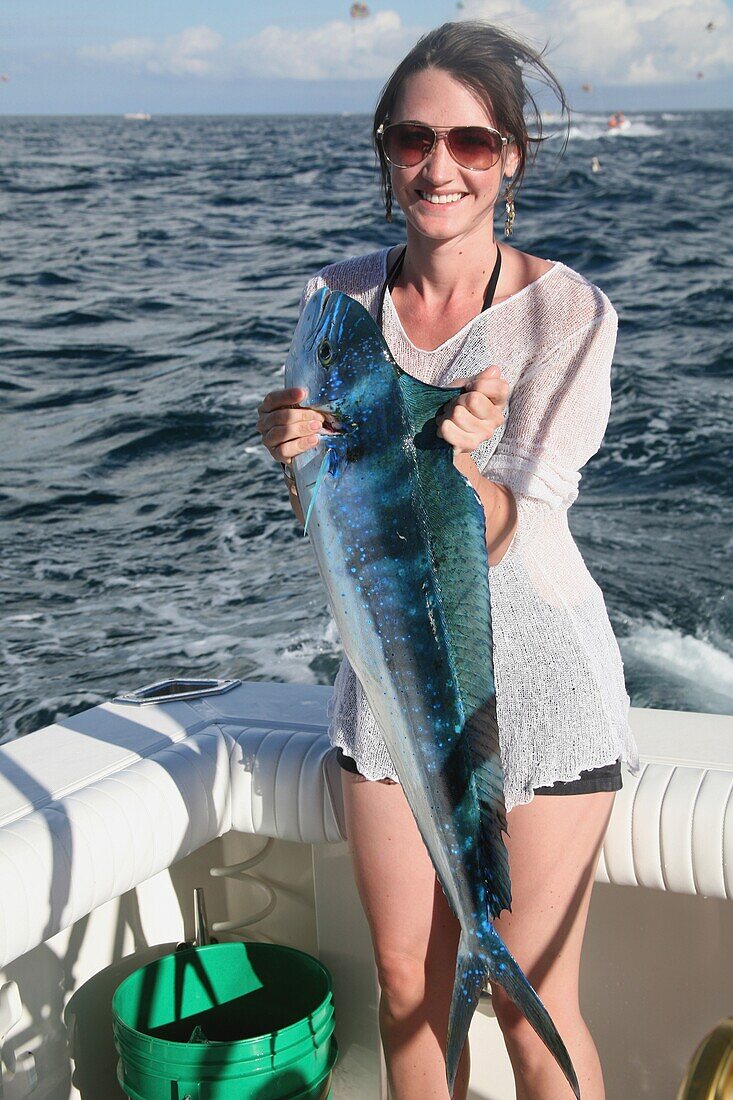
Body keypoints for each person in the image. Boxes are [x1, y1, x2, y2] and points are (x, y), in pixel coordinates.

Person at [257, 21, 640, 1100]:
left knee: (527, 1007)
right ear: (385, 150)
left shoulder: (569, 312)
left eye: (471, 142)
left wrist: (458, 464)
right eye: (413, 138)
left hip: (537, 694)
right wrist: (283, 442)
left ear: (510, 156)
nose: (439, 166)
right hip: (388, 687)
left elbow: (522, 524)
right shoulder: (335, 299)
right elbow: (330, 513)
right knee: (404, 986)